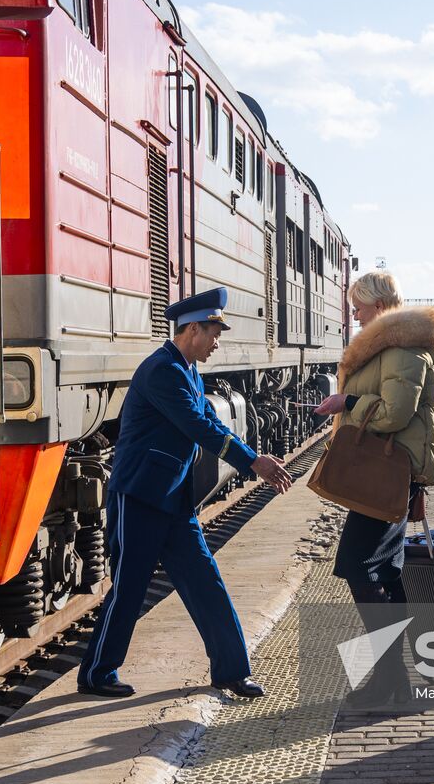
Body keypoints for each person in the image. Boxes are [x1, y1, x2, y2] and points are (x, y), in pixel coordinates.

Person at [77, 287, 292, 699]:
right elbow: (198, 426)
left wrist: (253, 452)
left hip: (173, 499)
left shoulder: (187, 370)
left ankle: (231, 670)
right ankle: (97, 673)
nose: (217, 342)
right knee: (129, 587)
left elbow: (212, 419)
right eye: (214, 332)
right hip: (139, 496)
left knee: (204, 579)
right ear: (192, 328)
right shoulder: (162, 371)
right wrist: (252, 462)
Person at [314, 271, 434, 704]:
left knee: (359, 567)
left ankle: (391, 680)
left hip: (389, 473)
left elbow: (394, 415)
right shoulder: (391, 346)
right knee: (384, 572)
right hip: (389, 473)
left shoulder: (400, 347)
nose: (354, 314)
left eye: (358, 305)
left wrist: (347, 402)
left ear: (378, 306)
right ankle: (394, 682)